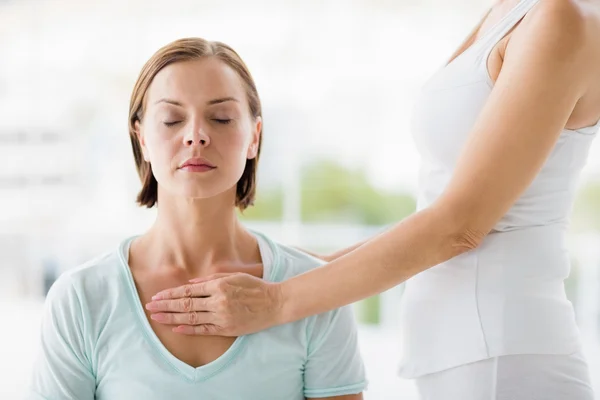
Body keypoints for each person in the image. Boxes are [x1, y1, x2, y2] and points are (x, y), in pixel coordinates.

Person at [146, 0, 600, 399]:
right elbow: (438, 208)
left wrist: (277, 300)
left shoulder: (562, 19)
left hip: (505, 355)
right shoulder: (510, 13)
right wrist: (298, 265)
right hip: (464, 350)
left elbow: (460, 225)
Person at [28, 37, 367, 400]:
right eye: (172, 120)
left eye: (221, 118)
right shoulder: (82, 299)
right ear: (141, 137)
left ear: (254, 137)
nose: (195, 136)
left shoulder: (314, 296)